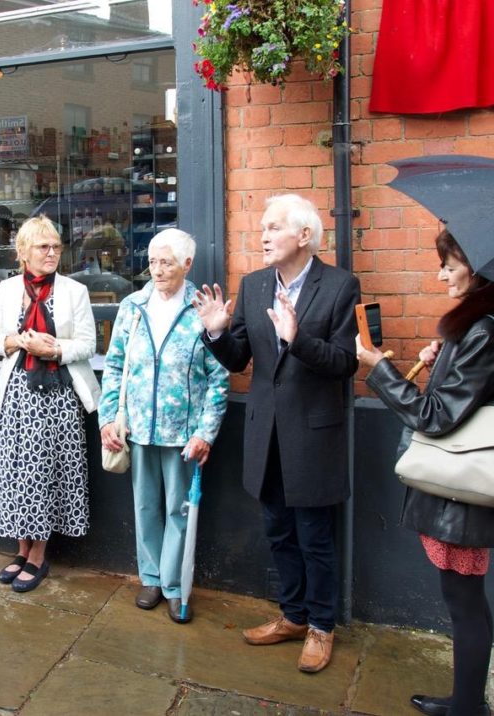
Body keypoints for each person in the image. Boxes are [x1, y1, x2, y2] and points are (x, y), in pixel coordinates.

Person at [357, 230, 494, 716]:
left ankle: (466, 709)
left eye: (449, 265)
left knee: (463, 600)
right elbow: (469, 398)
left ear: (477, 269)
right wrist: (444, 359)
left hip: (463, 486)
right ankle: (466, 701)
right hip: (468, 482)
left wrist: (378, 369)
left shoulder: (484, 328)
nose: (441, 274)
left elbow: (435, 416)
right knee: (467, 598)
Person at [193, 193, 360, 673]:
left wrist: (297, 339)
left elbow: (346, 363)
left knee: (314, 537)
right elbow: (239, 360)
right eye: (261, 227)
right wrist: (217, 333)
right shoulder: (254, 284)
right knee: (279, 532)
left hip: (312, 436)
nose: (262, 235)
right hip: (265, 435)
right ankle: (292, 615)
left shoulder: (340, 287)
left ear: (304, 236)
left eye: (273, 227)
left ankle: (322, 628)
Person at [99, 229, 228, 623]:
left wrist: (206, 431)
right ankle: (150, 578)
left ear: (187, 265)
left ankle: (174, 584)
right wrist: (107, 418)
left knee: (178, 509)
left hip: (182, 433)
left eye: (166, 262)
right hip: (137, 428)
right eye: (152, 261)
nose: (156, 270)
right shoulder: (133, 306)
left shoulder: (200, 309)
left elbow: (219, 378)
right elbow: (115, 364)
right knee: (144, 506)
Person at [0, 216, 100, 592]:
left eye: (55, 247)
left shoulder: (73, 291)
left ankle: (38, 555)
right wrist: (18, 342)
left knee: (46, 474)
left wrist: (52, 348)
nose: (51, 253)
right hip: (17, 395)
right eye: (42, 247)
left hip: (57, 395)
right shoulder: (7, 289)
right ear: (23, 253)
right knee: (18, 472)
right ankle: (21, 549)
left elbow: (87, 344)